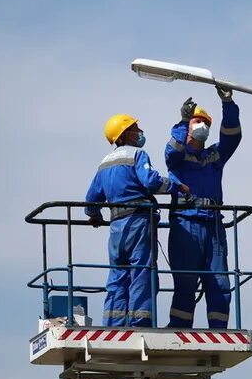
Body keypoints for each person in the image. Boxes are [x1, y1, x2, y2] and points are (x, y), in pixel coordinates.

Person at [85, 114, 188, 328]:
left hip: (116, 227)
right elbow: (150, 182)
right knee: (141, 269)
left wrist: (95, 215)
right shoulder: (137, 154)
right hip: (139, 221)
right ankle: (141, 320)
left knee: (118, 273)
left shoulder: (104, 163)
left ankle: (114, 321)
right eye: (136, 128)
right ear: (125, 134)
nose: (140, 132)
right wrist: (176, 187)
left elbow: (92, 199)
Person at [164, 86, 242, 329]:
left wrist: (228, 103)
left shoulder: (214, 156)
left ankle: (219, 330)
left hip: (214, 225)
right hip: (185, 224)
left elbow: (232, 136)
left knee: (218, 282)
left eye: (206, 122)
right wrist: (184, 120)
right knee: (185, 282)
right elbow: (171, 152)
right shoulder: (177, 154)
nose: (203, 126)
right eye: (198, 121)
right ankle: (179, 328)